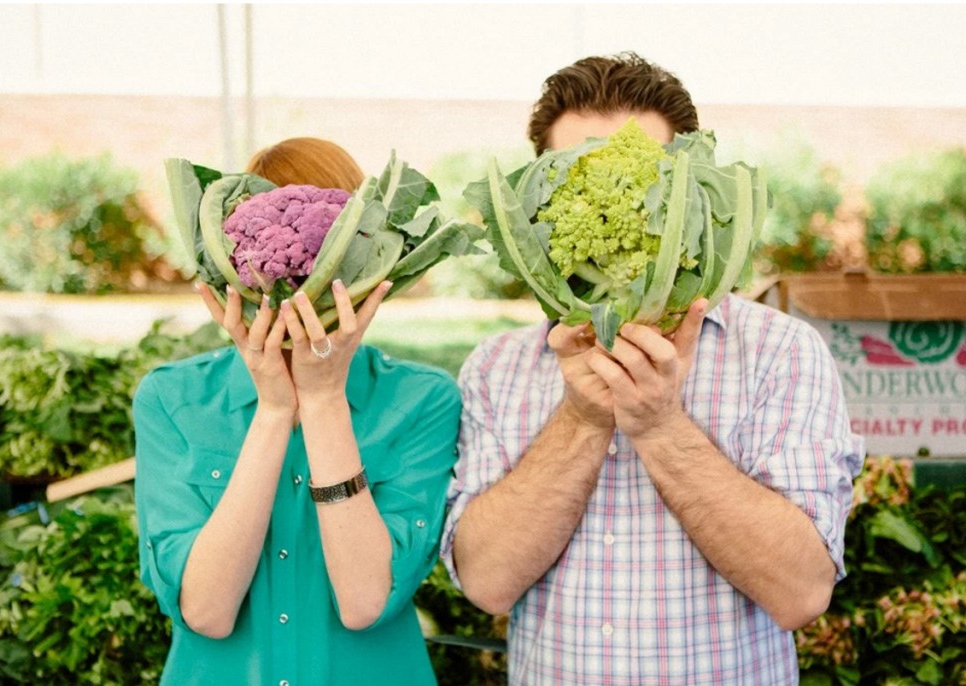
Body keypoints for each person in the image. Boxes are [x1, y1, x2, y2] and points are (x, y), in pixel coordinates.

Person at [440, 53, 865, 685]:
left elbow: (801, 592)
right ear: (534, 207)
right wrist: (583, 419)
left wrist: (660, 427)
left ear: (692, 191)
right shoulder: (497, 368)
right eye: (573, 176)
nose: (617, 200)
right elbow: (487, 582)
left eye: (644, 178)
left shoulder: (780, 353)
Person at [134, 138, 460, 685]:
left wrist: (325, 399)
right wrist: (273, 411)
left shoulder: (423, 400)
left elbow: (364, 602)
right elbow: (207, 612)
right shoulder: (172, 399)